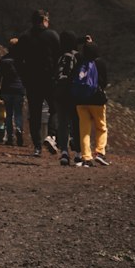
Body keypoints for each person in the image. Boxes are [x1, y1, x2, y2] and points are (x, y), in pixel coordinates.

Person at [13, 10, 60, 156]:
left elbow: (18, 60)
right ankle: (51, 136)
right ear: (44, 19)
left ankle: (37, 147)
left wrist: (24, 78)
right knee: (55, 108)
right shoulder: (52, 35)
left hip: (32, 81)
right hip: (49, 80)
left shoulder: (24, 37)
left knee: (34, 114)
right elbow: (58, 56)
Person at [71, 36, 110, 167]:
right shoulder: (100, 63)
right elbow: (104, 81)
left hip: (80, 101)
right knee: (101, 127)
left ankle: (86, 156)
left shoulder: (80, 62)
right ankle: (100, 153)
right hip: (97, 100)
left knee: (84, 129)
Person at [52, 30, 80, 166]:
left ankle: (64, 152)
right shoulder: (77, 56)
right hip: (73, 94)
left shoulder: (59, 56)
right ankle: (79, 153)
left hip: (59, 93)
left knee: (62, 124)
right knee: (76, 123)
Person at [0, 39, 25, 147]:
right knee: (18, 113)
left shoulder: (4, 60)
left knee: (9, 114)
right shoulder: (22, 59)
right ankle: (19, 129)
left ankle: (10, 136)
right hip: (19, 89)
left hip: (6, 90)